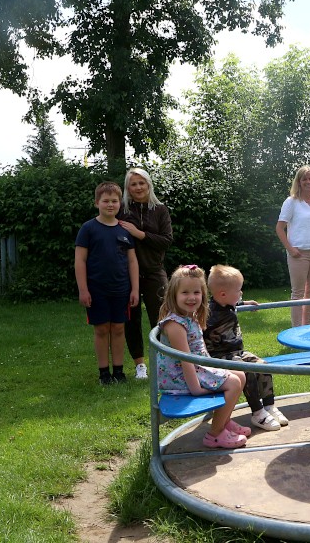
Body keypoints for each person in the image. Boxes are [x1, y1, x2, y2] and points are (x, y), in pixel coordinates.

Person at [156, 265, 250, 449]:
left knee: (240, 375)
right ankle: (215, 434)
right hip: (180, 379)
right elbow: (186, 360)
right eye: (185, 292)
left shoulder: (188, 316)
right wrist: (196, 389)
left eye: (196, 292)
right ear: (173, 294)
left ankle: (224, 421)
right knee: (234, 383)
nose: (191, 297)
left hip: (196, 369)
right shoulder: (175, 324)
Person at [204, 265, 289, 431]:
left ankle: (269, 406)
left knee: (262, 365)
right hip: (219, 357)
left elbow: (234, 303)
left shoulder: (227, 303)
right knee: (247, 371)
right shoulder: (209, 314)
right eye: (239, 290)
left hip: (237, 353)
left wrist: (243, 303)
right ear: (223, 294)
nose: (241, 293)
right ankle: (257, 412)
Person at [74, 181, 140, 385]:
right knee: (102, 329)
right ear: (97, 203)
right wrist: (83, 290)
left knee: (118, 329)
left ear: (120, 203)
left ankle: (119, 371)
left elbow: (132, 261)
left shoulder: (124, 229)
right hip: (96, 289)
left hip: (121, 289)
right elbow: (80, 261)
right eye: (106, 201)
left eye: (114, 201)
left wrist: (135, 289)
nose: (110, 204)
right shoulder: (88, 228)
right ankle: (104, 373)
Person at [117, 167, 174, 380]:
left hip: (154, 271)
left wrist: (139, 234)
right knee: (130, 319)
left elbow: (166, 241)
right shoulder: (121, 210)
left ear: (149, 185)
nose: (138, 187)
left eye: (142, 183)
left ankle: (164, 361)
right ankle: (140, 365)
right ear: (128, 188)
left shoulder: (160, 209)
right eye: (134, 184)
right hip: (125, 273)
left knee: (162, 318)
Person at [275, 166, 310, 326]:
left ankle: (307, 329)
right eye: (304, 179)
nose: (308, 182)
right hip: (299, 254)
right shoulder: (291, 202)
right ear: (299, 182)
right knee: (298, 293)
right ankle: (296, 331)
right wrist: (291, 249)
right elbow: (279, 228)